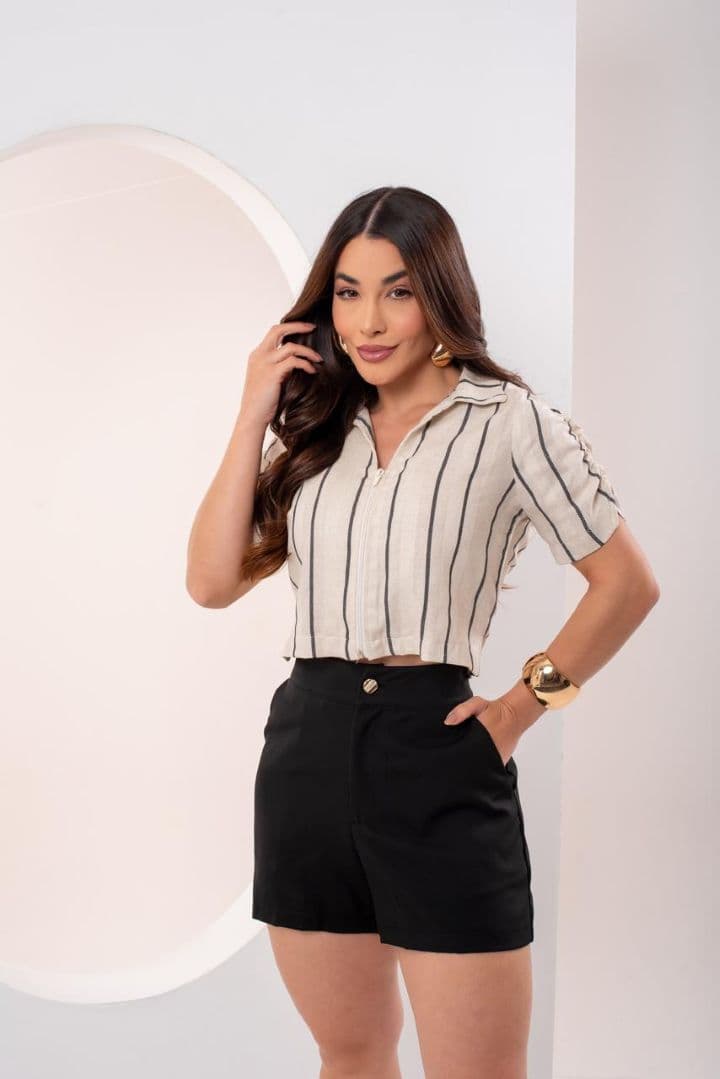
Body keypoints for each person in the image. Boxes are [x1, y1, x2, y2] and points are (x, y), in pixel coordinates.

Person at [186, 186, 659, 1079]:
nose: (368, 321)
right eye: (347, 292)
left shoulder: (511, 423)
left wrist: (519, 709)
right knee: (351, 1053)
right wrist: (252, 411)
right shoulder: (319, 430)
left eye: (396, 292)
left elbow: (627, 584)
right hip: (308, 753)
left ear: (438, 294)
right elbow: (210, 582)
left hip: (437, 753)